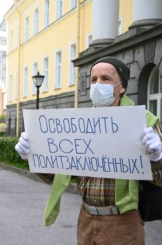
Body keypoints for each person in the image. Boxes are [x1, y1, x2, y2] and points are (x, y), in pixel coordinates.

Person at [15, 57, 162, 245]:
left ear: (122, 87)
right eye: (94, 79)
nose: (98, 84)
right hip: (86, 219)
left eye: (105, 79)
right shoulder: (81, 123)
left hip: (122, 222)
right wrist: (34, 157)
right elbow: (60, 175)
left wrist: (157, 157)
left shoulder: (144, 121)